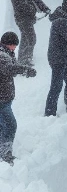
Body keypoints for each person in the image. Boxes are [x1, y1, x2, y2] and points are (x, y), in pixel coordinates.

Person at [0, 31, 36, 165]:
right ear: (7, 44)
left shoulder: (6, 54)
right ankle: (5, 153)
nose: (15, 48)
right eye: (14, 45)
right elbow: (9, 69)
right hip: (1, 99)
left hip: (4, 97)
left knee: (3, 126)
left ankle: (2, 151)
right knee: (10, 125)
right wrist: (25, 70)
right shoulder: (2, 56)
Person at [9, 0, 50, 65]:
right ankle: (25, 60)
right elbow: (23, 7)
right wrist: (34, 11)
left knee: (26, 38)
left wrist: (45, 8)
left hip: (27, 18)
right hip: (22, 19)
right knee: (31, 38)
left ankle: (24, 59)